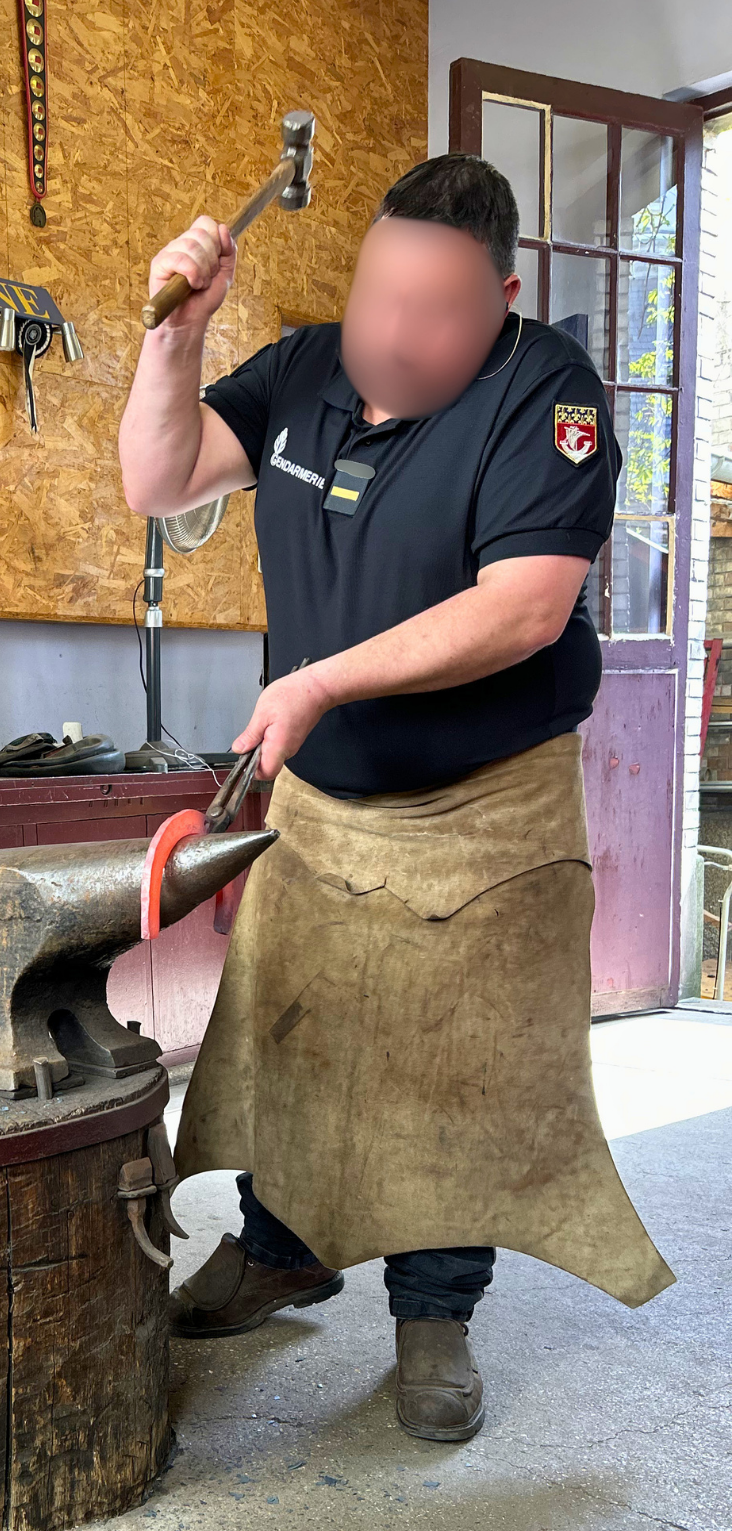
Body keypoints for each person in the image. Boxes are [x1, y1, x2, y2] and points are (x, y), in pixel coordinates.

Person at [118, 154, 673, 1441]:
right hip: (322, 798)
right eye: (379, 296)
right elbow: (160, 479)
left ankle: (434, 1317)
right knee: (291, 1036)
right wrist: (177, 337)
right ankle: (283, 1250)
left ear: (504, 301)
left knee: (454, 1071)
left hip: (484, 804)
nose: (393, 335)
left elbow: (524, 607)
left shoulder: (549, 393)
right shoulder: (304, 370)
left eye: (434, 311)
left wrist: (318, 681)